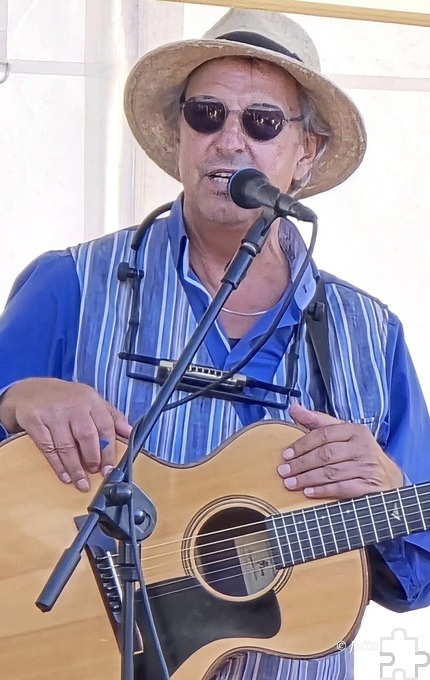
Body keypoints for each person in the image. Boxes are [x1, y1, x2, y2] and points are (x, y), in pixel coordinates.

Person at [0, 7, 429, 680]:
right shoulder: (69, 286)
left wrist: (391, 487)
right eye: (206, 114)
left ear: (305, 154)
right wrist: (14, 398)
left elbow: (416, 581)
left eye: (261, 122)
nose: (230, 140)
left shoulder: (371, 336)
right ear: (178, 135)